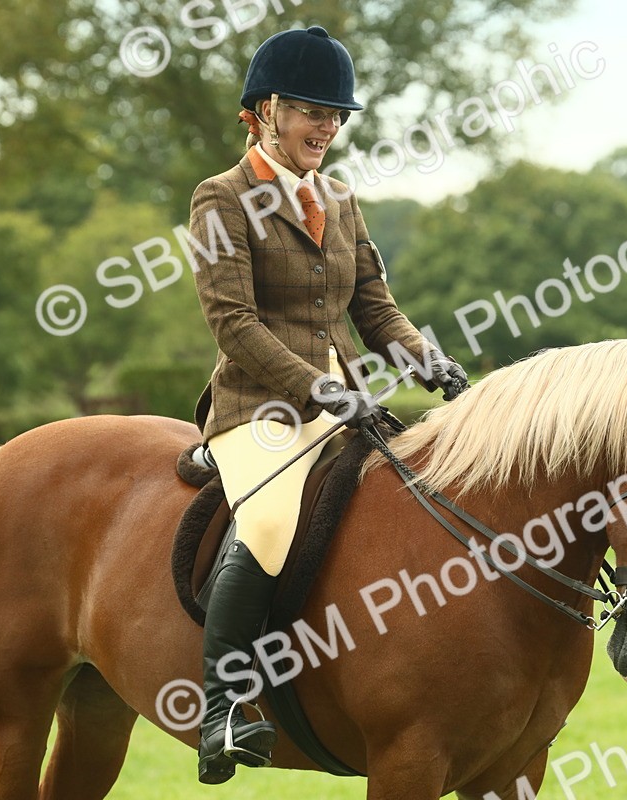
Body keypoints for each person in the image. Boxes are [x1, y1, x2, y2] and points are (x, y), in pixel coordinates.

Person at [188, 26, 468, 785]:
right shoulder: (221, 198)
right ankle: (222, 709)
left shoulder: (340, 201)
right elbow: (234, 325)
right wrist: (318, 391)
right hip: (259, 411)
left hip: (344, 407)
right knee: (273, 521)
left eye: (337, 116)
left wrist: (429, 360)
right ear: (265, 110)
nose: (328, 128)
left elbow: (376, 310)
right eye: (314, 111)